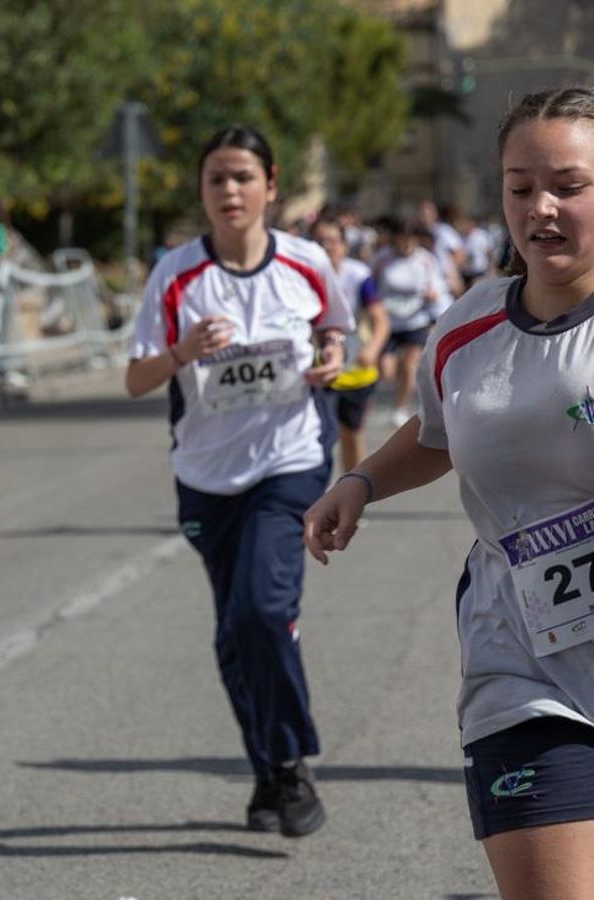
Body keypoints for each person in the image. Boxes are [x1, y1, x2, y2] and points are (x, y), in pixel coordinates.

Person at [304, 86, 594, 900]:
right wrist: (360, 481)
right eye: (520, 185)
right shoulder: (467, 327)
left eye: (569, 186)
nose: (542, 207)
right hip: (522, 666)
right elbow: (436, 432)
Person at [124, 126, 351, 837]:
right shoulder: (176, 275)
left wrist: (332, 360)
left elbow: (338, 334)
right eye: (217, 178)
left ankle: (288, 765)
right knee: (235, 630)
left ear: (271, 186)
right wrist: (181, 352)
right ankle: (267, 775)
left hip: (290, 462)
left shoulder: (308, 263)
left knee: (258, 610)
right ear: (202, 190)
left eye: (243, 178)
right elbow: (136, 377)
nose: (230, 192)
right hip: (207, 477)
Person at [312, 217, 390, 470]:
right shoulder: (303, 274)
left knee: (352, 434)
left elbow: (381, 320)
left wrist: (373, 349)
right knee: (320, 435)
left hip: (356, 365)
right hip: (318, 367)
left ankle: (352, 494)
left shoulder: (359, 275)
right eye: (319, 241)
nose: (327, 247)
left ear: (344, 246)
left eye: (332, 241)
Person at [372, 218, 450, 425]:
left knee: (409, 366)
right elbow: (369, 287)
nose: (406, 244)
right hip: (388, 322)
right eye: (402, 240)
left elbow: (439, 287)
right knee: (386, 371)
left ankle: (400, 407)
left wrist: (434, 297)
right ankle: (394, 383)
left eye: (411, 240)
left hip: (416, 320)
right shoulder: (382, 259)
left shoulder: (426, 260)